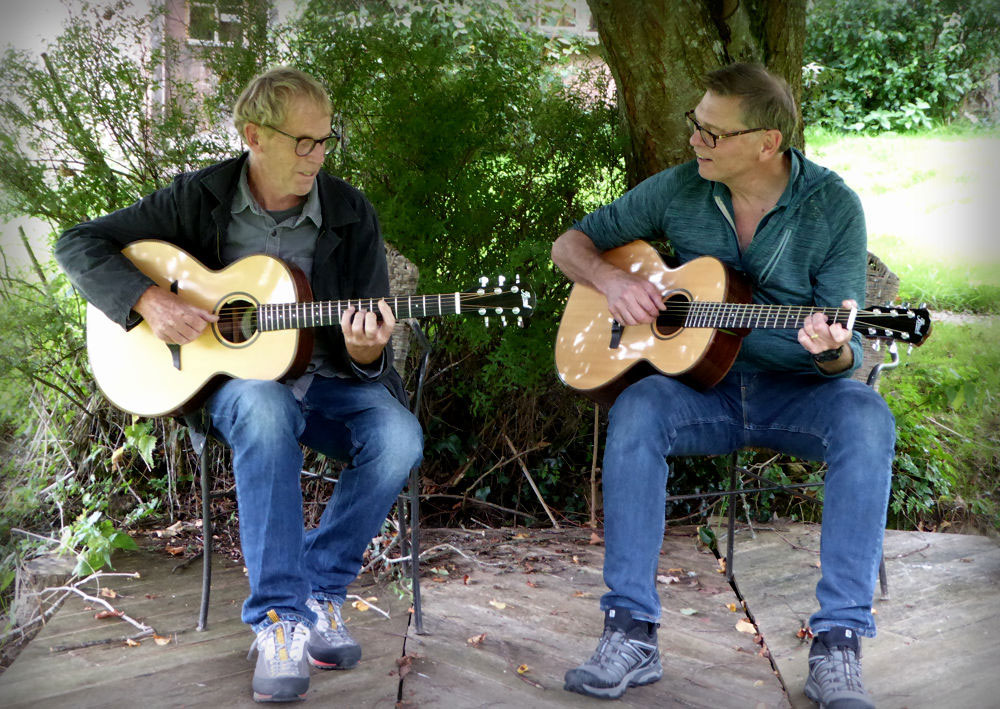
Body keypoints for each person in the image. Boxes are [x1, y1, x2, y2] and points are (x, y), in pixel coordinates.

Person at [55, 67, 423, 703]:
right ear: (254, 135)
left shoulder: (349, 212)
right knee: (263, 401)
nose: (316, 156)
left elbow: (367, 332)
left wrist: (367, 351)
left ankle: (322, 589)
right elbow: (77, 242)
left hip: (330, 380)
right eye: (302, 141)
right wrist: (147, 299)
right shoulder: (198, 198)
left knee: (399, 436)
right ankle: (280, 619)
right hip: (232, 387)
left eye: (325, 141)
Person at [552, 63, 893, 707]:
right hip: (699, 392)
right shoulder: (681, 188)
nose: (696, 142)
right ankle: (630, 632)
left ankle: (839, 642)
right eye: (696, 126)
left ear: (768, 142)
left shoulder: (832, 206)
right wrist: (614, 282)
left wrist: (828, 351)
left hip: (799, 392)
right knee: (637, 408)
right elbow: (570, 246)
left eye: (713, 133)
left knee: (867, 419)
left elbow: (840, 359)